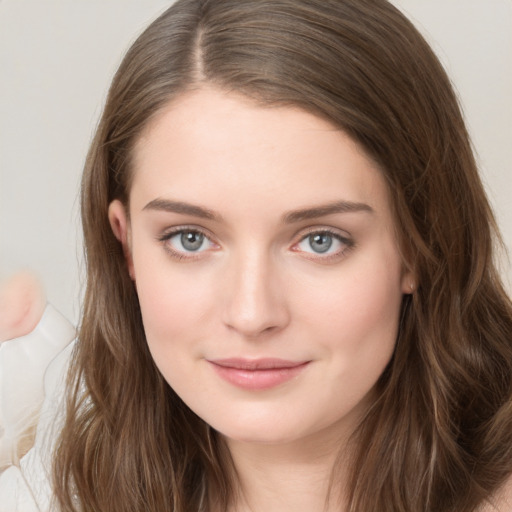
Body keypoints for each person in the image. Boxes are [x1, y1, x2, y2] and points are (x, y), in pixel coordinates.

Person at [1, 0, 512, 511]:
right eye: (190, 239)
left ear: (420, 246)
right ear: (126, 245)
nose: (251, 314)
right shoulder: (52, 488)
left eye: (320, 240)